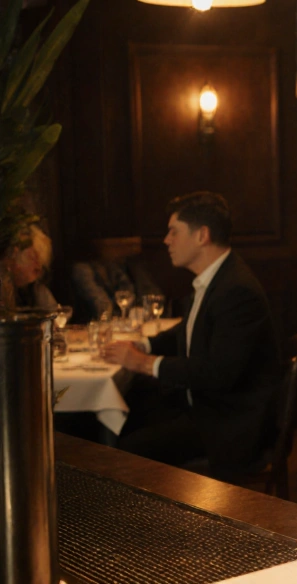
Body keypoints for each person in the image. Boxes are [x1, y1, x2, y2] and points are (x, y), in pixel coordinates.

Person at [100, 192, 281, 481]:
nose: (166, 240)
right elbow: (188, 330)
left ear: (202, 236)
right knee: (127, 414)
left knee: (127, 447)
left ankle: (148, 523)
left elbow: (218, 373)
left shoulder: (237, 291)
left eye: (174, 231)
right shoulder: (217, 278)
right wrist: (143, 344)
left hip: (229, 423)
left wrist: (145, 363)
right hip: (206, 405)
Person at [72, 236, 163, 322]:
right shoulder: (82, 269)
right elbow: (101, 303)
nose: (133, 242)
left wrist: (139, 311)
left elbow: (151, 295)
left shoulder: (121, 265)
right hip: (93, 326)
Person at [4, 225, 57, 308]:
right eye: (32, 258)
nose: (39, 267)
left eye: (42, 261)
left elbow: (56, 316)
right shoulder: (5, 292)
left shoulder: (38, 291)